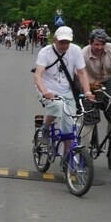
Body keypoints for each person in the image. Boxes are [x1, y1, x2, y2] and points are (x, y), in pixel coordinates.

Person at [33, 26, 96, 154]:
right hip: (47, 88)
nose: (65, 45)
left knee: (69, 122)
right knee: (58, 105)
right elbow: (38, 75)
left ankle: (67, 155)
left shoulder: (75, 50)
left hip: (67, 91)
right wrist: (45, 92)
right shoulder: (45, 52)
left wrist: (87, 91)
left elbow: (82, 73)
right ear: (54, 40)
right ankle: (45, 128)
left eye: (67, 42)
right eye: (62, 42)